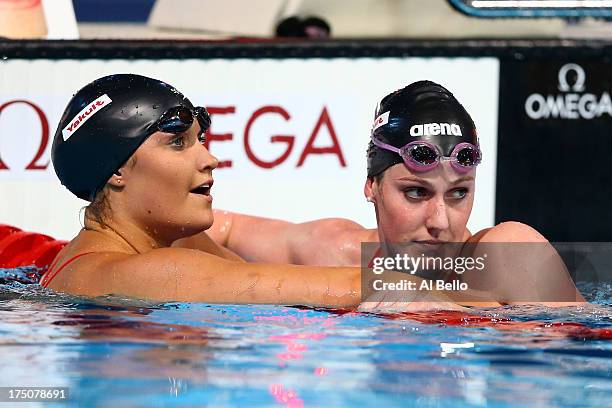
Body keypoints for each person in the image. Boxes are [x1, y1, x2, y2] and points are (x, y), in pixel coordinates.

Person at [41, 74, 466, 309]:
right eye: (178, 143)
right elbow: (328, 289)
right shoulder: (139, 272)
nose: (209, 159)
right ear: (116, 170)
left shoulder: (170, 244)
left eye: (201, 140)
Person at [199, 81, 585, 305]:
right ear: (372, 186)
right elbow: (226, 229)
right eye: (416, 193)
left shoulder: (508, 255)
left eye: (458, 194)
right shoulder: (334, 252)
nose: (440, 221)